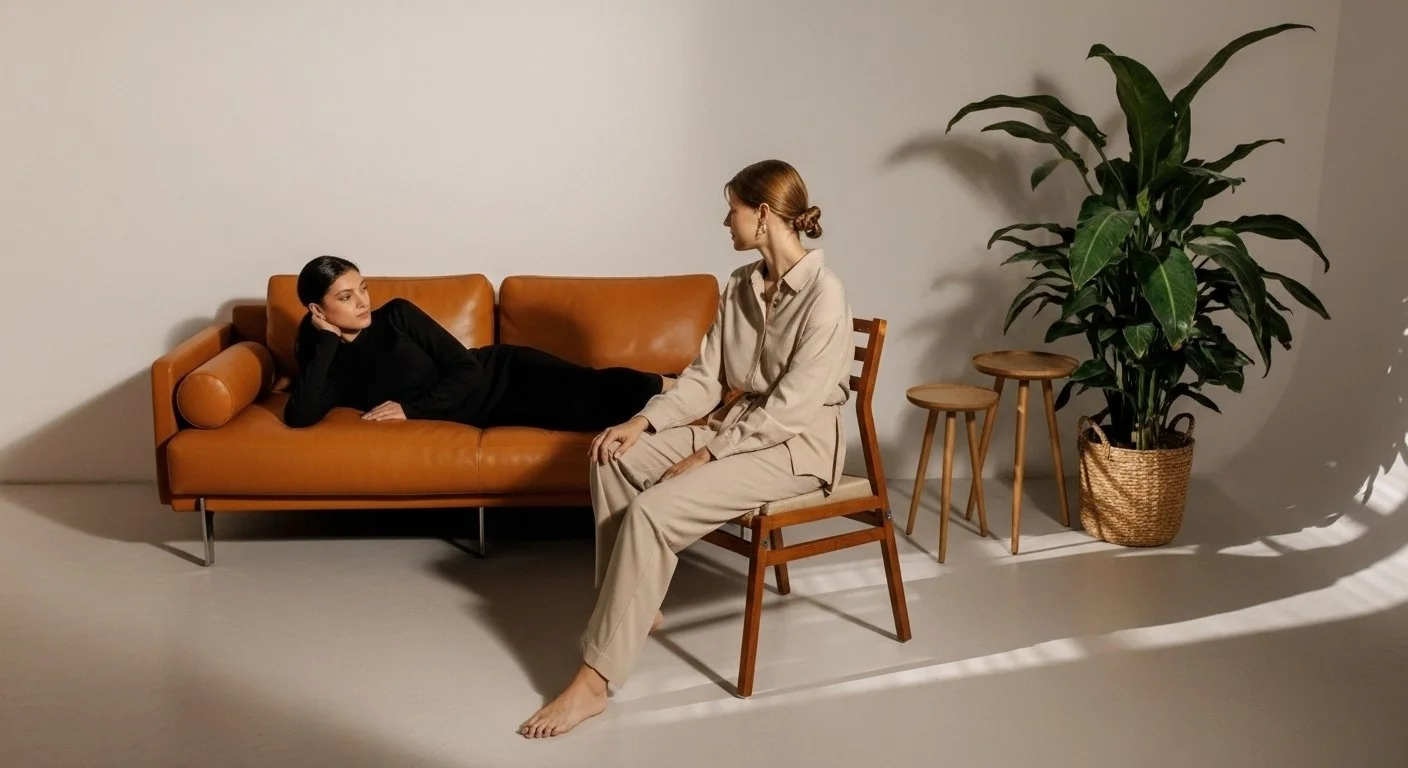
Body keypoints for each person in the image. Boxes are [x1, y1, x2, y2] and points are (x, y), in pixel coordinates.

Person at [519, 160, 853, 738]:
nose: (726, 222)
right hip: (737, 426)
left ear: (763, 214)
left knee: (653, 512)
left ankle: (593, 682)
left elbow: (791, 409)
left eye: (732, 210)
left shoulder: (825, 295)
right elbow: (704, 380)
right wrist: (642, 423)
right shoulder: (741, 285)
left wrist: (710, 454)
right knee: (612, 455)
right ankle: (635, 606)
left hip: (796, 448)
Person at [281, 255, 674, 431]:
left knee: (593, 385)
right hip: (495, 411)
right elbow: (300, 416)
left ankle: (675, 385)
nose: (362, 302)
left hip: (503, 372)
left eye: (363, 288)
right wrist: (327, 342)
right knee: (590, 416)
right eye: (345, 297)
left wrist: (412, 410)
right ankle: (675, 399)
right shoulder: (331, 363)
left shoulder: (397, 314)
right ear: (318, 309)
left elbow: (466, 367)